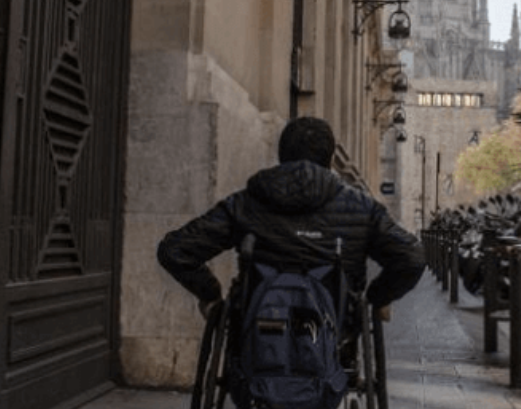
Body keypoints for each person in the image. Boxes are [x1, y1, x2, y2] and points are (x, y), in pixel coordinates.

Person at [157, 116, 425, 326]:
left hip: (256, 334)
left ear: (282, 156)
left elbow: (176, 250)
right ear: (330, 160)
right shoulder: (362, 209)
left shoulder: (247, 202)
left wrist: (211, 294)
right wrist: (378, 298)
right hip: (334, 334)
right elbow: (411, 257)